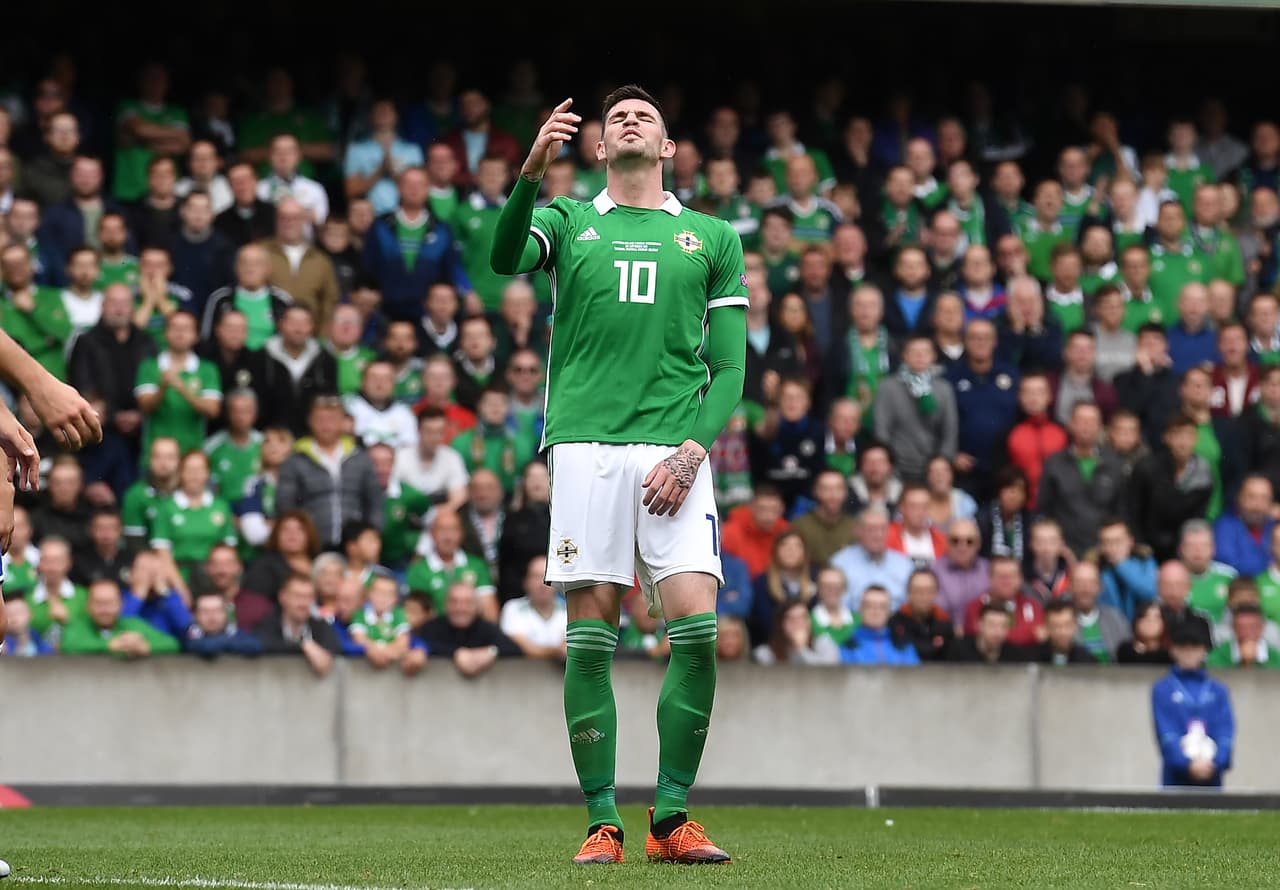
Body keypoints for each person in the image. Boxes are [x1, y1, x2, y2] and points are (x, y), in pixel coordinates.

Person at [489, 88, 745, 864]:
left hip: (676, 450)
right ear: (598, 149)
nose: (629, 123)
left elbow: (730, 366)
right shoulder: (569, 219)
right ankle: (603, 821)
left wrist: (691, 453)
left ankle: (672, 818)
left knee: (697, 633)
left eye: (646, 118)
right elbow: (504, 258)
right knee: (590, 642)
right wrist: (530, 171)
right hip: (586, 447)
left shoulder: (713, 236)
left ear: (669, 149)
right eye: (615, 121)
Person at [1152, 619, 1234, 787]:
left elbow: (1225, 729)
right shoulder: (1162, 689)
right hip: (1175, 779)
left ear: (1204, 650)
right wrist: (1186, 763)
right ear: (1173, 650)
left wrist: (1217, 762)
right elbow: (1165, 731)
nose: (1188, 653)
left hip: (1212, 775)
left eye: (1194, 647)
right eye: (1183, 648)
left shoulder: (1218, 690)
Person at [873, 335, 958, 481]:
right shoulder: (888, 387)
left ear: (934, 356)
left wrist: (942, 463)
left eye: (925, 352)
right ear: (904, 356)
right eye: (914, 352)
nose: (919, 356)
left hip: (933, 467)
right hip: (896, 467)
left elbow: (950, 430)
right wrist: (888, 464)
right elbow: (881, 430)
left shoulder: (943, 388)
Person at [416, 578, 521, 673]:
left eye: (467, 602)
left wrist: (490, 652)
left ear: (477, 606)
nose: (460, 608)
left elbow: (514, 649)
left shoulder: (485, 628)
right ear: (445, 604)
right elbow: (422, 645)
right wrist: (456, 653)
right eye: (454, 602)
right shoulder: (431, 628)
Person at [253, 573, 342, 676]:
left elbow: (328, 658)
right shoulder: (267, 625)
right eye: (297, 596)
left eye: (309, 597)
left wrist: (305, 644)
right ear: (282, 597)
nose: (303, 603)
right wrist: (302, 644)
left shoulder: (321, 626)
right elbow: (265, 645)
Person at [500, 555, 568, 660]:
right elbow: (525, 649)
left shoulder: (570, 610)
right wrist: (557, 651)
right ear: (526, 582)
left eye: (547, 577)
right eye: (536, 577)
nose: (542, 584)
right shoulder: (512, 608)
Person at [887, 568, 953, 661]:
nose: (923, 596)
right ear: (908, 592)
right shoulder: (895, 623)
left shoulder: (945, 623)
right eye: (918, 590)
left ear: (936, 593)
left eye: (929, 590)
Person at [751, 598, 840, 665]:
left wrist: (802, 649)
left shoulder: (825, 643)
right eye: (791, 619)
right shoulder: (765, 653)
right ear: (780, 624)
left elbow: (826, 674)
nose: (798, 623)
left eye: (803, 617)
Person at [184, 590, 264, 658]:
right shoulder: (190, 632)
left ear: (226, 614)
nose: (212, 617)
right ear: (195, 615)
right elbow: (207, 647)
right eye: (205, 612)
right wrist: (231, 643)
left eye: (217, 611)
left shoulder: (233, 631)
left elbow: (255, 646)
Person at [1028, 599, 1095, 665]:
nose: (1062, 632)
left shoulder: (1086, 660)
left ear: (1075, 625)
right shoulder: (1030, 660)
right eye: (1055, 626)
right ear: (1046, 627)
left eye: (1067, 625)